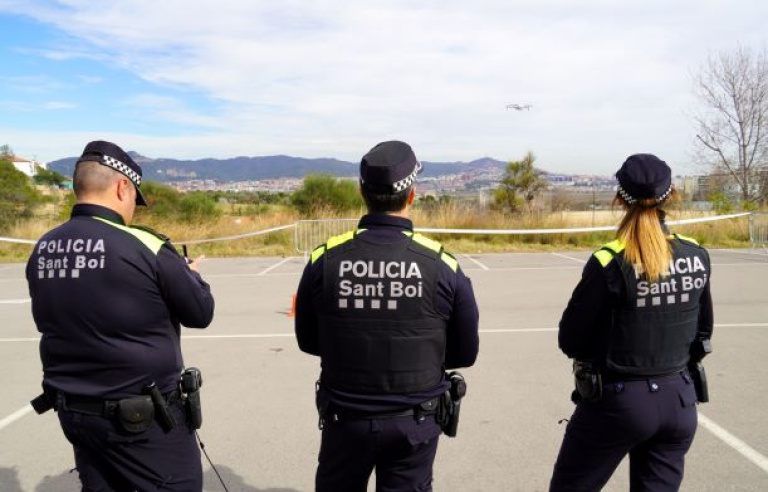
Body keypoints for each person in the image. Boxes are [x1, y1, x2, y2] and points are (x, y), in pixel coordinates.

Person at [26, 140, 215, 491]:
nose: (133, 209)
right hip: (143, 421)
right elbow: (201, 312)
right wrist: (189, 274)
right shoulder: (146, 245)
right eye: (134, 200)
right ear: (122, 186)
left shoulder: (45, 247)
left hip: (76, 414)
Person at [295, 140, 480, 492]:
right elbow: (465, 353)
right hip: (415, 421)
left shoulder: (325, 259)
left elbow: (308, 341)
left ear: (361, 190)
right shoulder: (442, 263)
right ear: (412, 195)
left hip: (345, 418)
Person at [549, 154, 714, 491]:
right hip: (679, 401)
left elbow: (571, 339)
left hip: (618, 402)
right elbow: (704, 330)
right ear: (672, 196)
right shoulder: (696, 255)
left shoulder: (609, 261)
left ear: (618, 198)